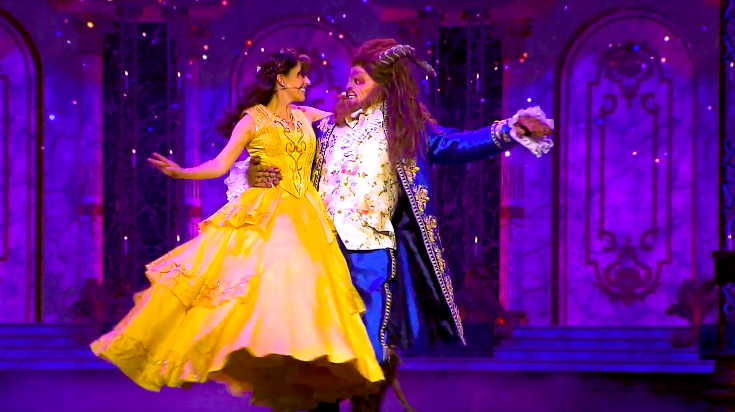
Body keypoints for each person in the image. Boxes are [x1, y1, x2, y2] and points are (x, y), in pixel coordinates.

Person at [226, 38, 554, 412]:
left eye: (359, 80)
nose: (349, 87)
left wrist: (510, 130)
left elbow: (458, 144)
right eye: (350, 79)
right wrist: (256, 171)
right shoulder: (325, 129)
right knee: (320, 348)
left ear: (384, 86)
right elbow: (285, 156)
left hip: (372, 254)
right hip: (320, 256)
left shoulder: (406, 132)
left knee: (371, 349)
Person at [90, 49, 384, 412]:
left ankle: (304, 363)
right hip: (268, 213)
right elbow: (219, 164)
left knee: (307, 296)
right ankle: (264, 355)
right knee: (258, 291)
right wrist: (181, 172)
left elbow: (353, 119)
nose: (307, 81)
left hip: (307, 215)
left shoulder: (306, 115)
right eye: (301, 75)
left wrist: (379, 92)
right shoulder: (252, 120)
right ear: (281, 80)